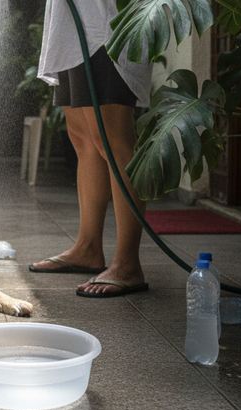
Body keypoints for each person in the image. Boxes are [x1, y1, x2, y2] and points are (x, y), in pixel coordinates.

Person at [29, 0, 153, 298]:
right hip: (72, 26)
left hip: (106, 24)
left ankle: (127, 264)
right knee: (82, 138)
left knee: (113, 140)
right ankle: (88, 247)